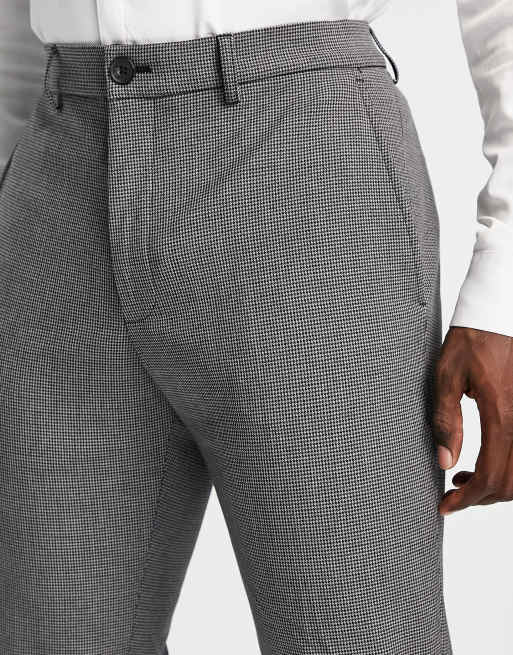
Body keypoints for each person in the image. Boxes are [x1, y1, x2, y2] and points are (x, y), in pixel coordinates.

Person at [0, 1, 511, 654]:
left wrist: (502, 294)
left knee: (353, 632)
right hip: (56, 182)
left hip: (307, 176)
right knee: (49, 632)